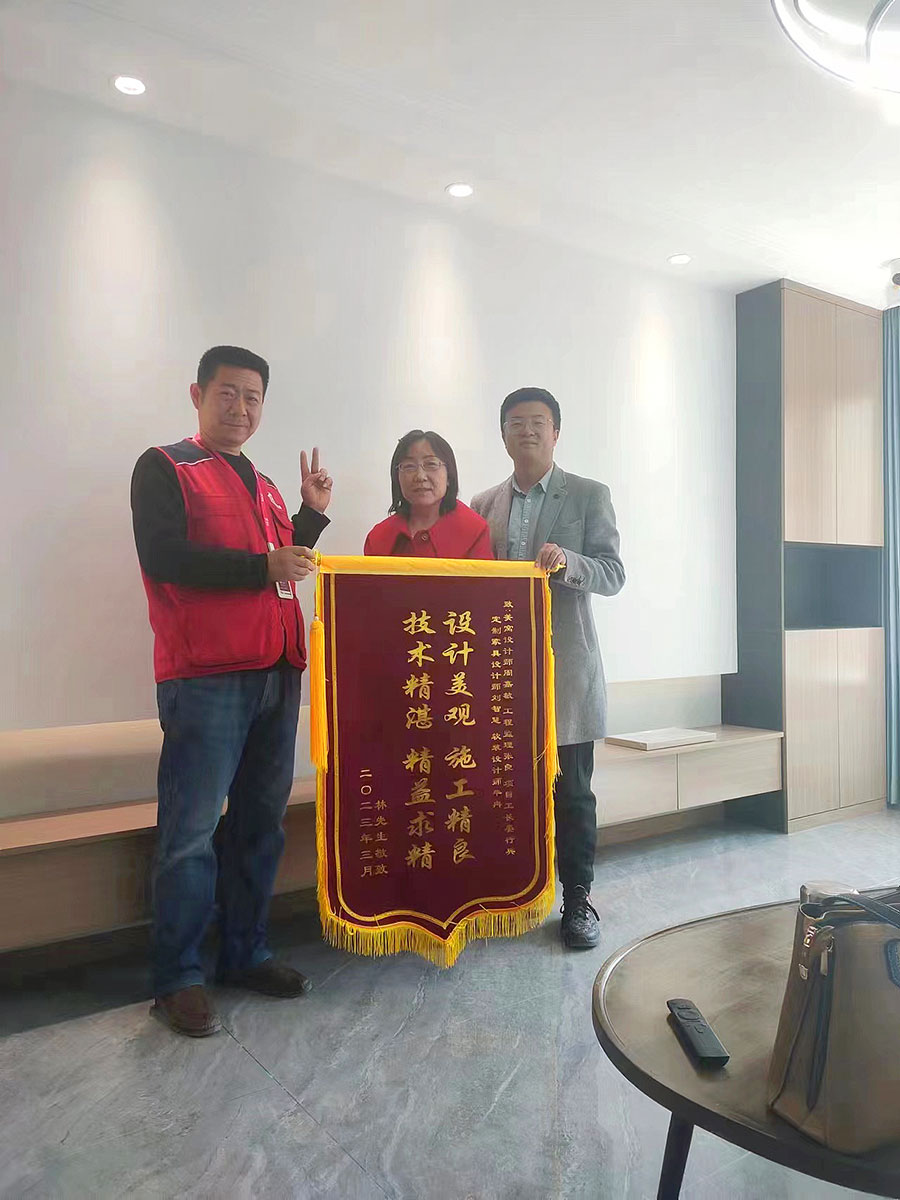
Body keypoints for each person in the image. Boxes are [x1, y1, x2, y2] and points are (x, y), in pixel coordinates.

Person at [131, 345, 333, 1037]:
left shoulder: (267, 485)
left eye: (253, 397)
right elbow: (164, 556)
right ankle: (177, 978)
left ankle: (246, 953)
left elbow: (281, 566)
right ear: (198, 394)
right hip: (207, 678)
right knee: (190, 834)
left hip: (278, 674)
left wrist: (309, 517)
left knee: (258, 825)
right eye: (228, 393)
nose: (241, 408)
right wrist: (261, 566)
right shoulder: (165, 467)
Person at [471, 387, 624, 949]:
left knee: (572, 793)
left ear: (556, 432)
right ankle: (509, 896)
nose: (527, 431)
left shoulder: (588, 494)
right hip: (500, 674)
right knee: (504, 790)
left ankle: (578, 901)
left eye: (538, 422)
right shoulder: (481, 505)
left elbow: (613, 573)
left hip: (566, 672)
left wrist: (569, 562)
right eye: (516, 423)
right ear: (503, 434)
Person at [364, 429, 493, 559]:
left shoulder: (474, 530)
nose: (420, 476)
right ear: (397, 478)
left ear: (449, 476)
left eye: (431, 464)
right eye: (409, 466)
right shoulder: (378, 537)